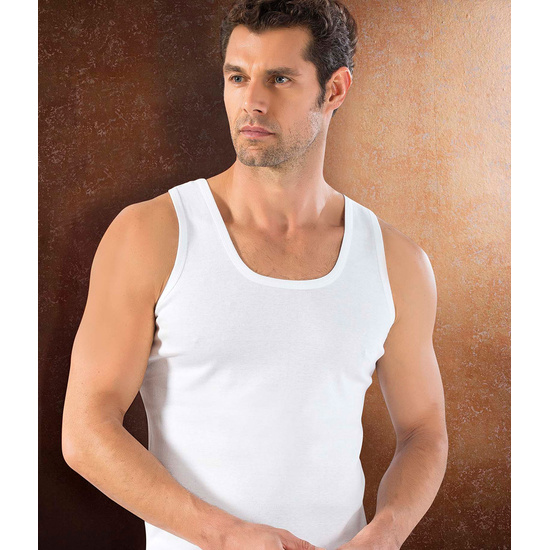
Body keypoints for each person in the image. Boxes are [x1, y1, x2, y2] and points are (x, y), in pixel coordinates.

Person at [62, 1, 448, 549]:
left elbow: (424, 430)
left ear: (335, 89)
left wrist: (385, 534)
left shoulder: (395, 261)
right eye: (238, 77)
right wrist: (225, 536)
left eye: (280, 79)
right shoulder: (151, 235)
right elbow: (85, 430)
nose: (252, 102)